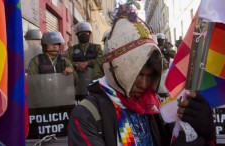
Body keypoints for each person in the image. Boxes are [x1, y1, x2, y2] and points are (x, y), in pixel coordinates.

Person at [68, 11, 215, 146]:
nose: (143, 84)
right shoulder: (86, 115)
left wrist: (204, 130)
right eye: (136, 74)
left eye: (150, 76)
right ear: (116, 69)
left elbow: (176, 138)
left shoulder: (154, 106)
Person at [65, 21, 103, 101]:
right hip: (77, 86)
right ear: (77, 35)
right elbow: (66, 61)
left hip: (94, 82)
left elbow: (101, 60)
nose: (84, 34)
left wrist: (87, 63)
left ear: (90, 34)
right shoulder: (72, 49)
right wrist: (76, 65)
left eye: (86, 32)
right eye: (81, 33)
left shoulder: (96, 48)